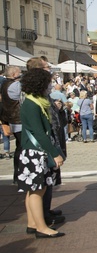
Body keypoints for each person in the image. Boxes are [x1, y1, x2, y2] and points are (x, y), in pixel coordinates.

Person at [19, 68, 66, 238]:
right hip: (36, 152)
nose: (50, 86)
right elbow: (39, 133)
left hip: (33, 151)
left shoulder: (32, 101)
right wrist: (55, 153)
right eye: (48, 83)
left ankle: (33, 223)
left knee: (33, 190)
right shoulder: (32, 104)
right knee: (38, 191)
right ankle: (41, 227)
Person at [0, 65, 22, 183]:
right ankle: (19, 175)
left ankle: (17, 175)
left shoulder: (4, 84)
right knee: (21, 148)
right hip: (18, 120)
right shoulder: (14, 85)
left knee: (19, 147)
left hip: (12, 120)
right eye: (19, 72)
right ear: (14, 75)